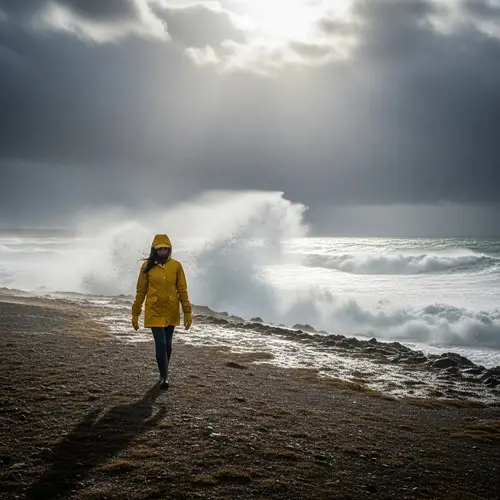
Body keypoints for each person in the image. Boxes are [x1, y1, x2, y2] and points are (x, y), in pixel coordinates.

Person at [131, 234, 192, 389]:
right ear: (154, 250)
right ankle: (164, 377)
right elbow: (140, 291)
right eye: (160, 249)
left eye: (166, 249)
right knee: (161, 343)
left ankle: (163, 373)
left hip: (171, 310)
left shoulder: (176, 266)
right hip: (154, 310)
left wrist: (187, 312)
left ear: (169, 249)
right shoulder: (146, 267)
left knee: (169, 346)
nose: (163, 252)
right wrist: (135, 313)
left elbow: (182, 290)